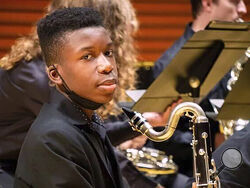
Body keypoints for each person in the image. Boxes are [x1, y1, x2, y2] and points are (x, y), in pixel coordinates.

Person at [14, 7, 127, 187]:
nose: (107, 66)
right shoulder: (52, 139)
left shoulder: (87, 117)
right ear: (55, 75)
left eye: (108, 53)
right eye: (87, 56)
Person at [144, 0, 248, 178]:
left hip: (236, 160)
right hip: (192, 174)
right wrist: (213, 141)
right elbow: (162, 135)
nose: (243, 9)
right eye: (234, 1)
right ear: (207, 4)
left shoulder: (235, 55)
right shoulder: (169, 64)